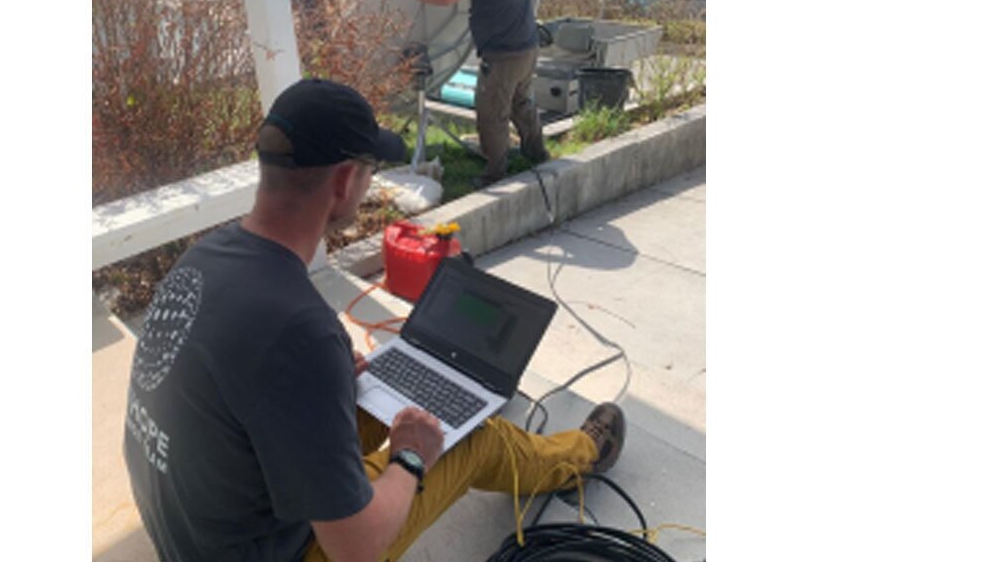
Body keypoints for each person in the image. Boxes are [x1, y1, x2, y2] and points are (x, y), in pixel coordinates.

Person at [123, 78, 626, 562]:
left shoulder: (204, 259)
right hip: (270, 550)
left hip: (192, 533)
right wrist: (410, 457)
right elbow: (354, 549)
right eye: (369, 172)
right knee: (473, 438)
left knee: (359, 392)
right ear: (344, 180)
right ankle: (582, 454)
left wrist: (328, 388)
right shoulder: (300, 330)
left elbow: (253, 385)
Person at [382, 0, 549, 188]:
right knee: (521, 103)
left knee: (491, 113)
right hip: (525, 46)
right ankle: (537, 154)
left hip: (504, 53)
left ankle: (495, 174)